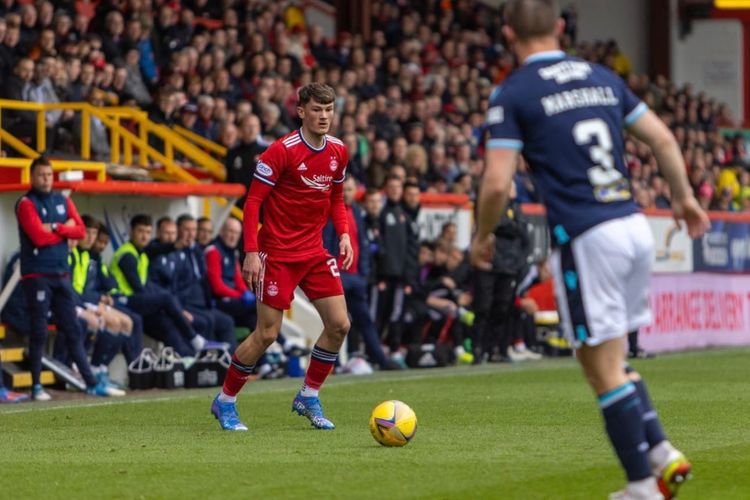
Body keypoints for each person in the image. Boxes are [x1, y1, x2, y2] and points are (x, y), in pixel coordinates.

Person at [471, 2, 709, 498]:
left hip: (587, 236)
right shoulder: (602, 77)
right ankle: (661, 452)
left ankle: (641, 486)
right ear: (561, 28)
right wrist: (684, 199)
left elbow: (496, 185)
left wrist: (482, 234)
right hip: (632, 226)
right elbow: (664, 140)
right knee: (606, 358)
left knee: (601, 369)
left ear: (508, 32)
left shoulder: (513, 91)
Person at [211, 83, 353, 431]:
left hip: (315, 251)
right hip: (277, 253)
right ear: (301, 111)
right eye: (317, 109)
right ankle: (225, 401)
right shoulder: (281, 150)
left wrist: (345, 234)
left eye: (329, 110)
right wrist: (251, 253)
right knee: (267, 334)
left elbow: (336, 198)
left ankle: (308, 394)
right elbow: (253, 203)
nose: (324, 116)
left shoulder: (338, 151)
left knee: (339, 325)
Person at [15, 156, 112, 400]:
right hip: (37, 275)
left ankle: (90, 383)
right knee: (39, 331)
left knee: (72, 329)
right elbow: (37, 236)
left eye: (49, 175)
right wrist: (63, 228)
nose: (46, 179)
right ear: (32, 176)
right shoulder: (26, 203)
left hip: (61, 274)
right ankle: (37, 386)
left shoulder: (63, 200)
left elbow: (79, 231)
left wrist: (56, 228)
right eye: (41, 175)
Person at [109, 214, 226, 357]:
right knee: (165, 299)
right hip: (123, 299)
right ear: (131, 231)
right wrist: (167, 307)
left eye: (147, 232)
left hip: (137, 300)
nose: (144, 236)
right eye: (140, 231)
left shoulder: (141, 252)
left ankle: (191, 361)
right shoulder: (127, 254)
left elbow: (158, 250)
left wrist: (172, 309)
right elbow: (139, 288)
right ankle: (194, 340)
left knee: (170, 320)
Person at [323, 177, 397, 372]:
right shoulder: (331, 212)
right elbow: (327, 244)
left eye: (350, 189)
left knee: (364, 320)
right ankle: (334, 363)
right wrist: (333, 272)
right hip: (338, 276)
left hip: (356, 277)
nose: (347, 193)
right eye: (344, 189)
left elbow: (361, 243)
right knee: (336, 323)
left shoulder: (356, 211)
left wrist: (364, 274)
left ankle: (381, 360)